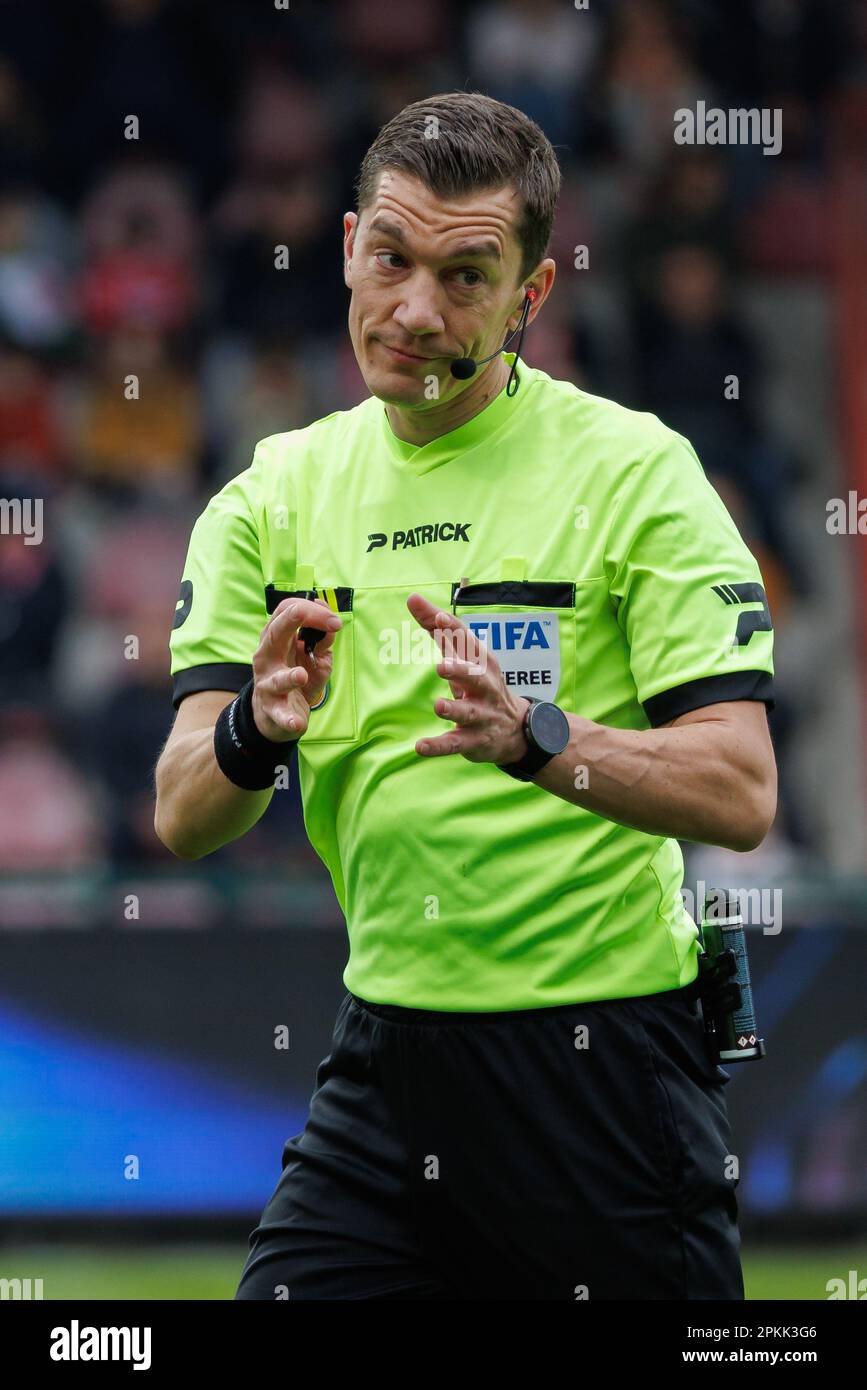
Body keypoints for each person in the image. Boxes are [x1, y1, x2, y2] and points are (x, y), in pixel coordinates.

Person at [154, 91, 777, 1300]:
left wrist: (539, 739)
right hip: (387, 1064)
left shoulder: (638, 470)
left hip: (607, 1066)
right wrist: (250, 730)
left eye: (465, 275)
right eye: (390, 258)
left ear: (528, 300)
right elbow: (183, 814)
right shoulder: (271, 495)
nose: (414, 309)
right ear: (347, 247)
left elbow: (740, 786)